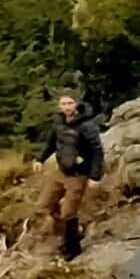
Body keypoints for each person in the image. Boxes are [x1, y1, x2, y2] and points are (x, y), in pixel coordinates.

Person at [41, 87, 107, 259]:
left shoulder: (87, 125)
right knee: (45, 205)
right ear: (59, 105)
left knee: (68, 212)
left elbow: (97, 151)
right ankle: (66, 234)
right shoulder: (58, 122)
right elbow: (51, 143)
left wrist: (95, 176)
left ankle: (72, 248)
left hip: (79, 174)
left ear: (76, 104)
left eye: (70, 103)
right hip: (61, 170)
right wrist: (39, 159)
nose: (67, 107)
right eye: (63, 103)